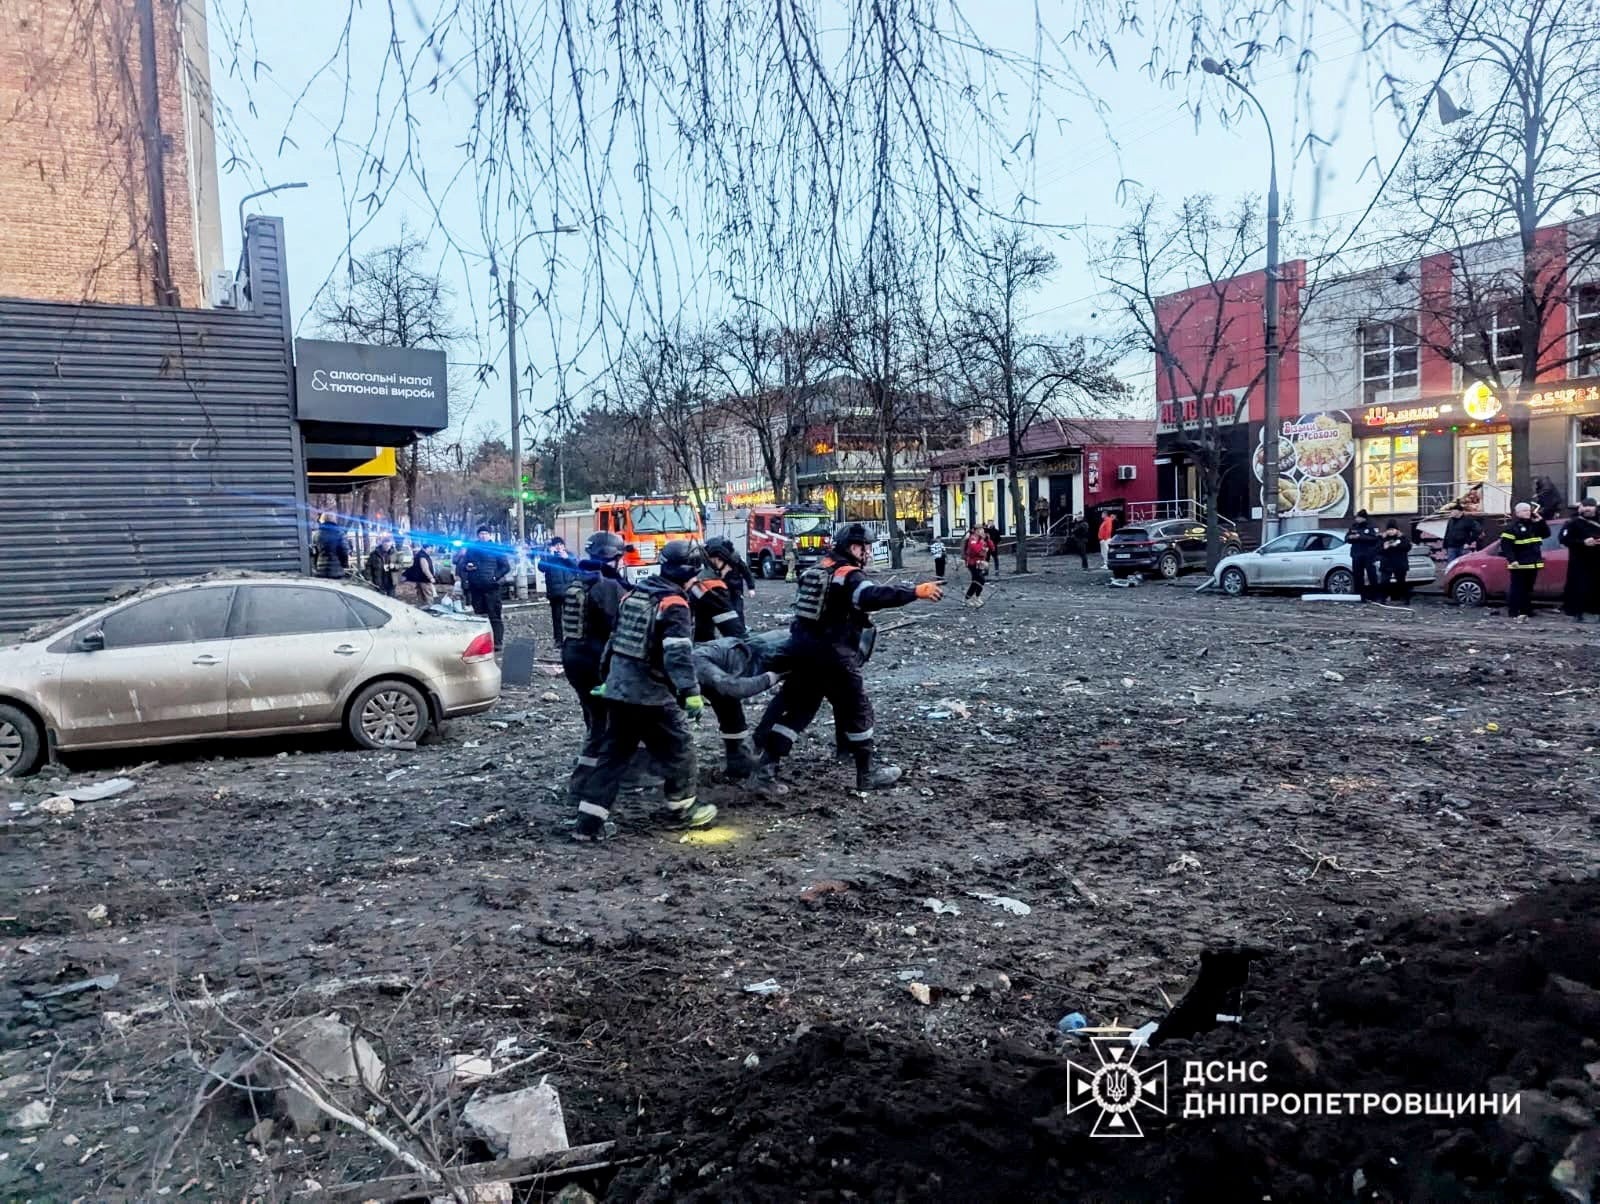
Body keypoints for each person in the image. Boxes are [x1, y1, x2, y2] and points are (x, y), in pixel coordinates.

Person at [751, 522, 944, 790]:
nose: (867, 552)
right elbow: (870, 596)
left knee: (798, 712)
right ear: (853, 547)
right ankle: (867, 775)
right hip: (834, 658)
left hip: (803, 653)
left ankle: (765, 771)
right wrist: (914, 592)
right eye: (865, 547)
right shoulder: (848, 576)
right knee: (858, 711)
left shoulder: (818, 569)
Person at [569, 540, 715, 841]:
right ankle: (684, 809)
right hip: (649, 693)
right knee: (680, 747)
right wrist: (690, 691)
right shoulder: (674, 604)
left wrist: (607, 677)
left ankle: (588, 823)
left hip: (620, 690)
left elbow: (613, 641)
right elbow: (677, 653)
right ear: (689, 572)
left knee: (613, 755)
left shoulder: (634, 594)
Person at [561, 531, 628, 736]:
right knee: (607, 714)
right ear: (615, 558)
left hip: (573, 656)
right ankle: (603, 759)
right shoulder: (607, 585)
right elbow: (614, 624)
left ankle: (592, 755)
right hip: (596, 657)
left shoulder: (580, 579)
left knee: (590, 709)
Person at [695, 630, 786, 777]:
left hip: (771, 650)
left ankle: (761, 763)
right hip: (746, 657)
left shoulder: (696, 661)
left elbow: (735, 688)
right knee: (727, 707)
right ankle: (739, 762)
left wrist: (770, 677)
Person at [459, 526, 512, 651]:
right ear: (478, 535)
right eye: (481, 533)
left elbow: (505, 567)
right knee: (479, 617)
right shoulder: (472, 548)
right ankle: (482, 643)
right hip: (476, 588)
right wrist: (467, 567)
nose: (483, 536)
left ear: (490, 535)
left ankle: (498, 642)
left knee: (495, 616)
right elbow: (462, 564)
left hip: (492, 588)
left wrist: (495, 577)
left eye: (485, 533)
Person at [1499, 501, 1550, 622]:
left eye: (1529, 510)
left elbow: (1546, 534)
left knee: (1528, 589)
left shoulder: (1534, 525)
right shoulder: (1512, 527)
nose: (1528, 512)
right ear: (1517, 513)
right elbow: (1506, 546)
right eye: (1524, 510)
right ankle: (1514, 611)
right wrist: (1512, 560)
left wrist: (1541, 521)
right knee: (1517, 589)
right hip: (1519, 564)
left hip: (1533, 563)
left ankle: (1526, 610)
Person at [687, 552, 749, 642]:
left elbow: (703, 629)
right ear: (717, 560)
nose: (730, 569)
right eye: (729, 565)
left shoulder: (669, 585)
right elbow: (735, 633)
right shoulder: (712, 587)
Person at [1560, 498, 1600, 622]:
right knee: (1580, 587)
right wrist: (1582, 542)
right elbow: (1564, 539)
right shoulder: (1573, 522)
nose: (1588, 509)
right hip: (1580, 563)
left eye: (1590, 506)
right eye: (1585, 506)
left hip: (1597, 562)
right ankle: (1580, 613)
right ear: (1581, 507)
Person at [705, 536, 757, 621]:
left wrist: (751, 587)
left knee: (738, 610)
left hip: (735, 588)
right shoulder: (712, 562)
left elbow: (746, 572)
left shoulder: (735, 559)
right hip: (722, 589)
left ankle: (740, 629)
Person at [539, 537, 579, 643]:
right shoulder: (548, 557)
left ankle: (571, 638)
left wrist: (567, 559)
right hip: (555, 592)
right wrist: (549, 556)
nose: (559, 547)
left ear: (564, 546)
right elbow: (541, 568)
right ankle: (558, 640)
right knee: (556, 618)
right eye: (556, 545)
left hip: (569, 591)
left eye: (561, 545)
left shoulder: (569, 555)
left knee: (570, 617)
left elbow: (577, 568)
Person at [1345, 509, 1382, 602]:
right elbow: (1346, 538)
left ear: (1363, 518)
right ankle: (1359, 595)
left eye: (1358, 517)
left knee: (1371, 575)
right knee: (1357, 575)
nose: (1356, 519)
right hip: (1356, 554)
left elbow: (1374, 538)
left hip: (1368, 555)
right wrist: (1350, 537)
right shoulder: (1354, 527)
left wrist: (1360, 537)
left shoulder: (1370, 527)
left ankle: (1374, 595)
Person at [1378, 521, 1413, 604]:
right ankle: (1383, 598)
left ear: (1397, 530)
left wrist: (1397, 545)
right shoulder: (1383, 538)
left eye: (1393, 529)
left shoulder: (1402, 537)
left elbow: (1408, 547)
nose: (1391, 531)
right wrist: (1384, 547)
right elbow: (1377, 550)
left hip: (1399, 563)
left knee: (1401, 581)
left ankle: (1406, 599)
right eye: (1389, 530)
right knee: (1384, 581)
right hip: (1386, 564)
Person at [312, 513, 351, 579]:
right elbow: (344, 551)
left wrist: (315, 566)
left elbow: (314, 552)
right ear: (334, 520)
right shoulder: (339, 533)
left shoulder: (316, 535)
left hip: (321, 569)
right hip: (336, 569)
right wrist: (345, 565)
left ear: (322, 520)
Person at [962, 526, 992, 608]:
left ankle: (974, 597)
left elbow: (991, 548)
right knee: (979, 580)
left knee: (978, 580)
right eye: (979, 530)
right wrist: (983, 548)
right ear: (975, 531)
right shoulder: (972, 539)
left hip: (980, 563)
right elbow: (976, 550)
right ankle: (969, 598)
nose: (981, 531)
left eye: (982, 530)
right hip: (972, 563)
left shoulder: (981, 539)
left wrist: (987, 540)